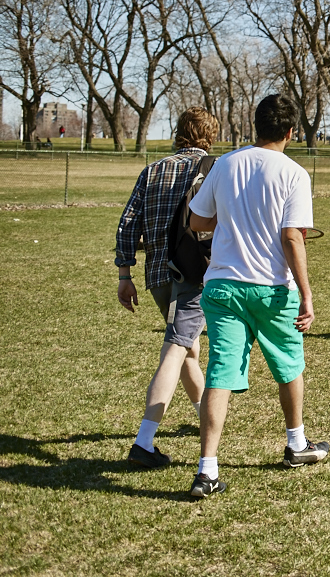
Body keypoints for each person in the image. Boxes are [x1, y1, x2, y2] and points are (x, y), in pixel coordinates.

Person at [186, 94, 329, 499]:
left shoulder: (225, 163)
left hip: (223, 285)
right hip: (270, 289)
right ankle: (296, 442)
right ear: (290, 132)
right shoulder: (295, 174)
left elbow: (197, 220)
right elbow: (291, 237)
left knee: (220, 372)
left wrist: (232, 216)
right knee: (288, 365)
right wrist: (306, 294)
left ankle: (207, 469)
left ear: (255, 125)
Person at [115, 107, 220, 469]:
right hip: (192, 275)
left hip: (157, 275)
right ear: (210, 135)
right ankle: (144, 441)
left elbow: (128, 223)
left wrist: (124, 274)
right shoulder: (211, 169)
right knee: (176, 348)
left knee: (188, 347)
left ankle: (205, 414)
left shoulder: (153, 170)